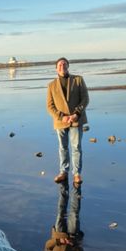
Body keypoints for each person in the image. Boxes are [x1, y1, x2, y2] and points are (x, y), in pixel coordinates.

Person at [46, 57, 89, 185]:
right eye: (59, 65)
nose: (62, 67)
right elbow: (50, 106)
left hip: (76, 120)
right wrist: (61, 116)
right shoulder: (51, 85)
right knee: (63, 147)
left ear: (68, 66)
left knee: (76, 147)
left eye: (64, 64)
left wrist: (77, 113)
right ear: (56, 68)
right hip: (60, 121)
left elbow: (85, 99)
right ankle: (63, 172)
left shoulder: (78, 80)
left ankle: (76, 174)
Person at [43, 183, 84, 251]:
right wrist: (73, 244)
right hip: (72, 236)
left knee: (61, 212)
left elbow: (47, 245)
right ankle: (76, 187)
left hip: (58, 234)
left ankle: (63, 185)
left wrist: (59, 241)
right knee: (74, 213)